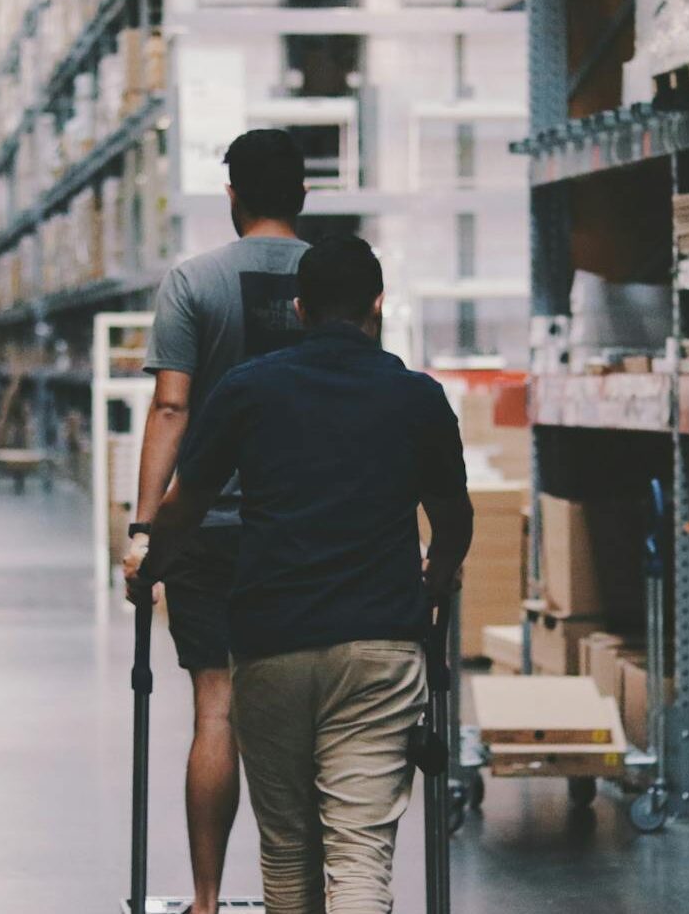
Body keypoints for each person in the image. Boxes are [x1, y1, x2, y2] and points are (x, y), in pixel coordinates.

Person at [131, 235, 475, 914]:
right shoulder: (418, 397)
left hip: (272, 644)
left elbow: (185, 506)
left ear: (298, 307)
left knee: (288, 853)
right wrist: (435, 576)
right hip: (380, 644)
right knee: (358, 855)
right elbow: (454, 520)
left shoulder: (247, 391)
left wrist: (151, 565)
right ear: (379, 304)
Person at [123, 128, 312, 914]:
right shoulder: (337, 277)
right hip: (304, 527)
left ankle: (205, 900)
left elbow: (172, 404)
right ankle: (299, 896)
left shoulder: (193, 281)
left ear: (231, 195)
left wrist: (143, 532)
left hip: (207, 527)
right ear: (302, 195)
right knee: (305, 713)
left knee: (217, 706)